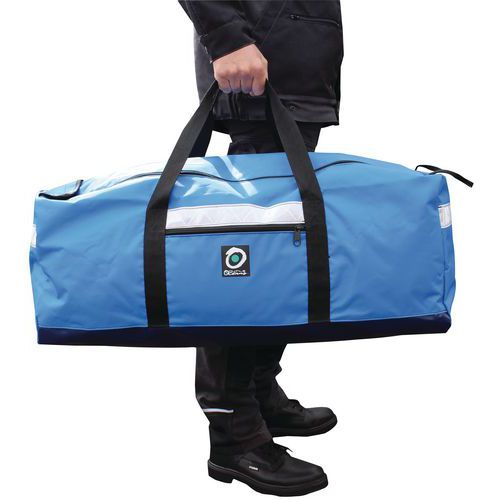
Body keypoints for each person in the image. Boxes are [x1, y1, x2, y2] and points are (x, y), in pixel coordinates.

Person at [179, 1, 343, 496]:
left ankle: (257, 390)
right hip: (257, 56)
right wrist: (226, 37)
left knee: (280, 254)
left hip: (296, 66)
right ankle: (235, 433)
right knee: (247, 261)